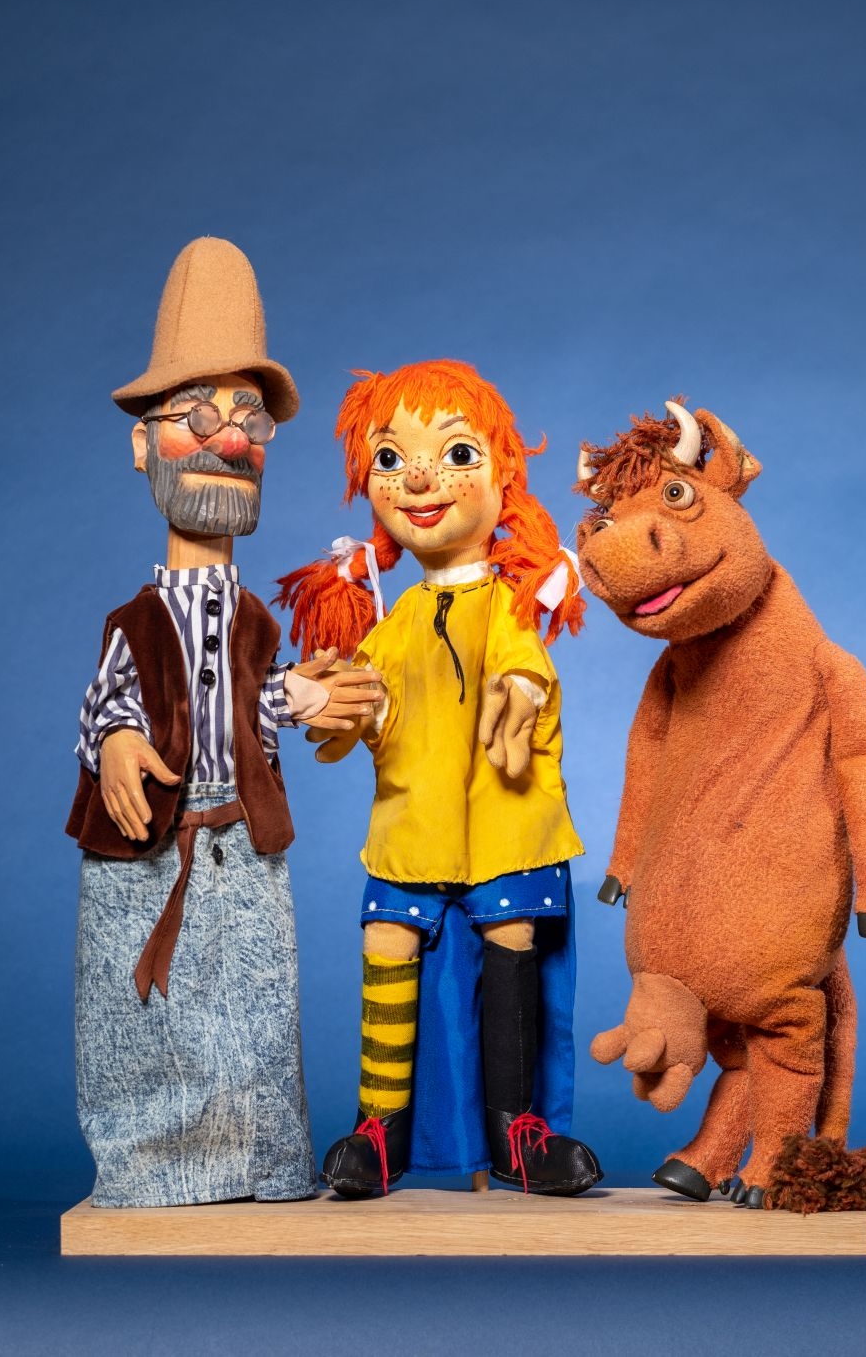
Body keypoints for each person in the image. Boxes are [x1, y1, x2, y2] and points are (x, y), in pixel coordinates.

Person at [67, 237, 382, 1207]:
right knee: (148, 1019)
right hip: (152, 847)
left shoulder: (254, 620)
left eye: (249, 418)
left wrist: (306, 697)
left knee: (252, 1008)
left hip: (243, 844)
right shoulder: (134, 620)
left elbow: (254, 702)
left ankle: (261, 1163)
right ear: (142, 446)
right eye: (197, 414)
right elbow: (110, 698)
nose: (230, 440)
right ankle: (151, 1169)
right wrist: (117, 742)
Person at [278, 359, 602, 1196]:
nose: (418, 479)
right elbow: (364, 710)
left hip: (505, 827)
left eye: (456, 455)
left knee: (511, 943)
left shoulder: (506, 605)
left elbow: (527, 666)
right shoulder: (394, 625)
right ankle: (379, 1130)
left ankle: (519, 1132)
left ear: (504, 476)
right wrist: (328, 703)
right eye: (391, 459)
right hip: (412, 829)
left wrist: (521, 692)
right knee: (387, 943)